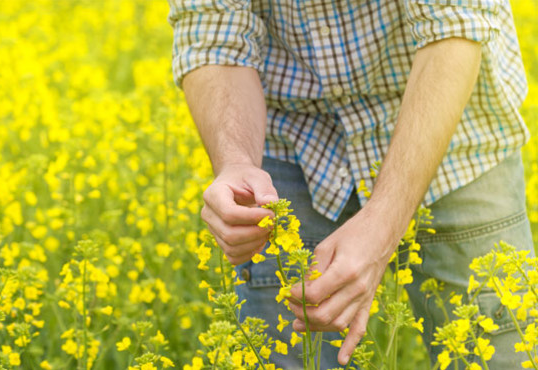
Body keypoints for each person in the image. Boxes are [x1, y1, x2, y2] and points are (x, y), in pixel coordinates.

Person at [167, 0, 533, 368]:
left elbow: (453, 26)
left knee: (506, 358)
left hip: (452, 137)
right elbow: (212, 33)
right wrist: (237, 164)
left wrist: (383, 224)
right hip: (290, 144)